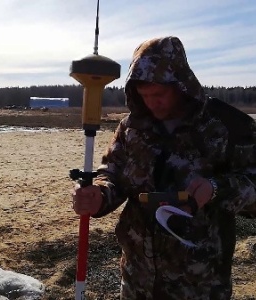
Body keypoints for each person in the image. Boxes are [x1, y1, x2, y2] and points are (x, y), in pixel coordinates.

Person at [72, 36, 256, 299]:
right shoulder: (131, 128)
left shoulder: (226, 126)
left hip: (200, 284)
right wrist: (98, 196)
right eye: (144, 95)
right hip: (138, 281)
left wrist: (215, 189)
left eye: (159, 94)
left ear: (181, 85)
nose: (151, 103)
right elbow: (112, 174)